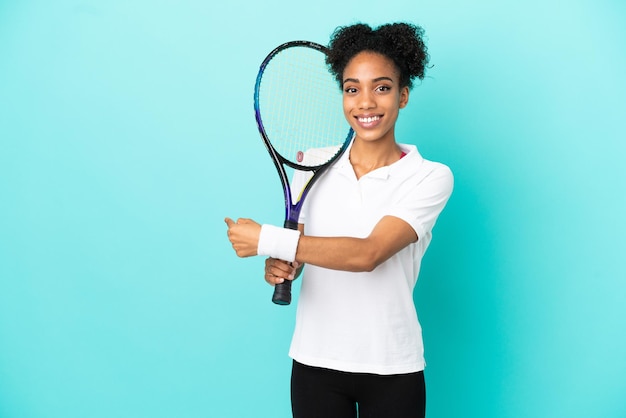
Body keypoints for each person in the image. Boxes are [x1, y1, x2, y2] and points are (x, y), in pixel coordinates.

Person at [225, 21, 453, 418]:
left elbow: (369, 254)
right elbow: (297, 256)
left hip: (392, 365)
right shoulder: (311, 163)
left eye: (381, 88)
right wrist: (282, 267)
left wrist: (267, 241)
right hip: (314, 363)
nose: (365, 102)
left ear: (403, 95)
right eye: (352, 89)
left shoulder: (430, 176)